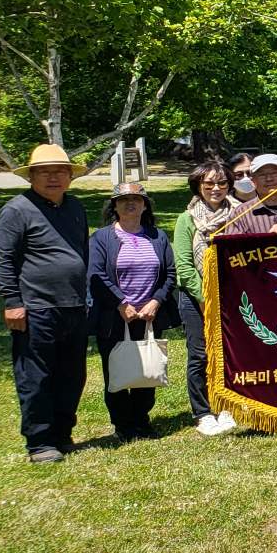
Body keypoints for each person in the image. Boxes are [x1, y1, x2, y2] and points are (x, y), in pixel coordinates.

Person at [85, 181, 174, 444]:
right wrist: (121, 303)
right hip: (115, 316)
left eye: (136, 199)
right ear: (114, 206)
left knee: (147, 370)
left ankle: (142, 421)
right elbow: (96, 274)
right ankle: (122, 424)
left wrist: (156, 301)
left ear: (145, 205)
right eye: (123, 200)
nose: (130, 204)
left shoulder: (157, 236)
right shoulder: (101, 238)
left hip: (148, 315)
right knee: (117, 370)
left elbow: (169, 273)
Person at [171, 160, 237, 437]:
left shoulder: (239, 214)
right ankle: (203, 412)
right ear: (198, 185)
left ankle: (227, 405)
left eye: (222, 183)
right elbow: (184, 265)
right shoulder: (188, 219)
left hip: (233, 296)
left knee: (231, 354)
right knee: (200, 356)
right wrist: (204, 297)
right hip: (196, 297)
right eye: (209, 183)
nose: (216, 188)